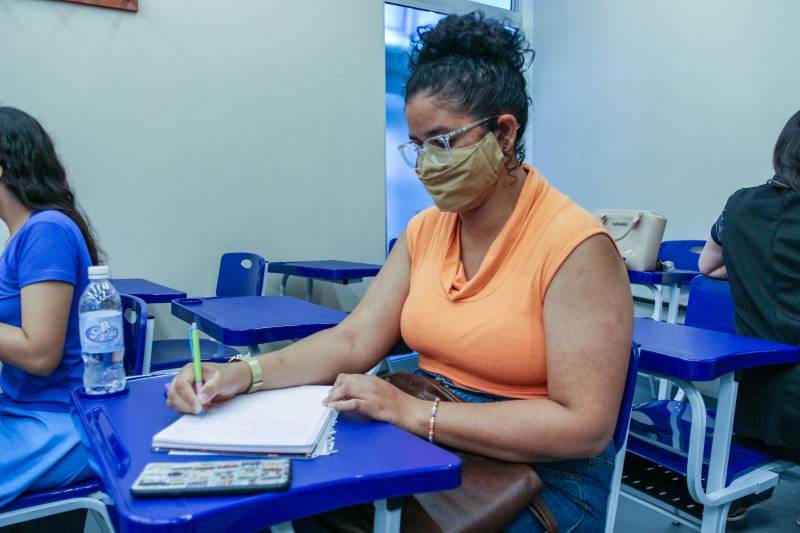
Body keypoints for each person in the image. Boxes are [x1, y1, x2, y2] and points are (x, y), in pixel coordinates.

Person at [169, 12, 633, 532]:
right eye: (417, 145)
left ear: (504, 133)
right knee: (301, 504)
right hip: (433, 433)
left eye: (443, 141)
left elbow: (583, 428)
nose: (426, 164)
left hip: (545, 475)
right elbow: (353, 339)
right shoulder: (426, 230)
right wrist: (243, 374)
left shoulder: (576, 247)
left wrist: (413, 414)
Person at [699, 110, 800, 524]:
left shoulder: (738, 205)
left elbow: (707, 265)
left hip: (750, 394)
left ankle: (739, 490)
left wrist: (751, 270)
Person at [0, 107, 99, 506]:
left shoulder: (46, 232)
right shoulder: (24, 235)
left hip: (59, 420)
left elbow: (40, 354)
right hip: (21, 409)